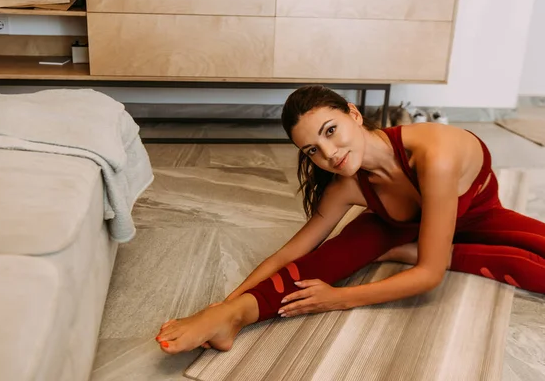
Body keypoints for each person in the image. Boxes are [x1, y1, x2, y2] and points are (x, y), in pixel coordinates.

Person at [155, 85, 545, 354]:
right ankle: (233, 320)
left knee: (531, 266)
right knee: (325, 260)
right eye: (312, 150)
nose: (329, 153)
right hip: (397, 222)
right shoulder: (347, 186)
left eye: (331, 131)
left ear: (354, 114)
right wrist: (225, 304)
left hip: (473, 213)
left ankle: (406, 250)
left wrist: (338, 299)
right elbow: (291, 252)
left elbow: (430, 276)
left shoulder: (434, 155)